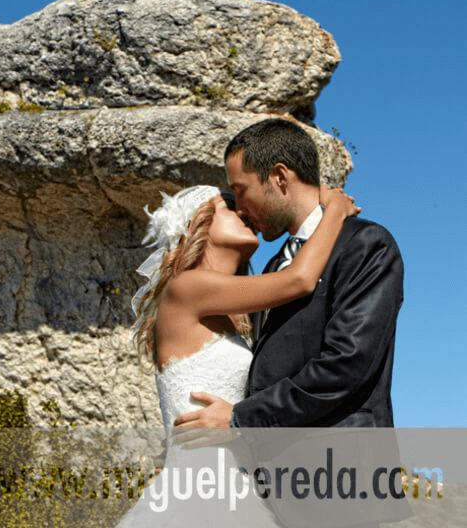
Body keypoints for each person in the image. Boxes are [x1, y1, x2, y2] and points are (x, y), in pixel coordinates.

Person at [114, 180, 359, 527]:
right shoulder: (187, 286)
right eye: (228, 207)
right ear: (198, 223)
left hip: (235, 484)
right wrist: (335, 210)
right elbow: (300, 280)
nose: (244, 212)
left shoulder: (235, 317)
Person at [173, 119, 404, 430]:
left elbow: (347, 363)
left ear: (279, 177)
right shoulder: (274, 268)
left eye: (241, 191)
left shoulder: (365, 244)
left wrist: (241, 419)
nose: (239, 208)